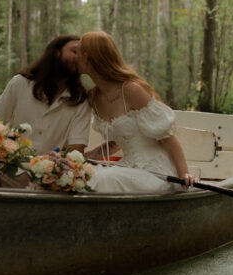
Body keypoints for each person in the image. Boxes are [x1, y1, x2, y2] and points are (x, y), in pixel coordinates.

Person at [0, 34, 92, 187]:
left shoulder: (80, 100)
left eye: (83, 55)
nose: (79, 58)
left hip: (47, 176)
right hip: (9, 168)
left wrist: (59, 172)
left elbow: (76, 150)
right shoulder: (21, 83)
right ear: (56, 53)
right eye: (75, 51)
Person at [78, 30, 195, 194]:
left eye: (77, 52)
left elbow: (168, 138)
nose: (74, 57)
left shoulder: (131, 90)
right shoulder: (94, 97)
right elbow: (116, 143)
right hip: (127, 168)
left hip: (155, 171)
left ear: (87, 57)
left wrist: (184, 174)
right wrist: (78, 160)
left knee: (103, 179)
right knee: (81, 176)